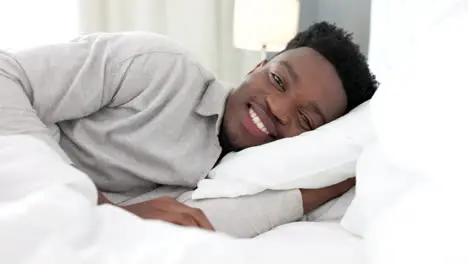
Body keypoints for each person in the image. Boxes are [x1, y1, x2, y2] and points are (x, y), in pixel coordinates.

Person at [0, 22, 377, 237]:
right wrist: (97, 207)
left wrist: (347, 173)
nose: (277, 108)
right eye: (279, 80)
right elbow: (6, 74)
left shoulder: (239, 182)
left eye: (306, 120)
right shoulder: (159, 68)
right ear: (255, 69)